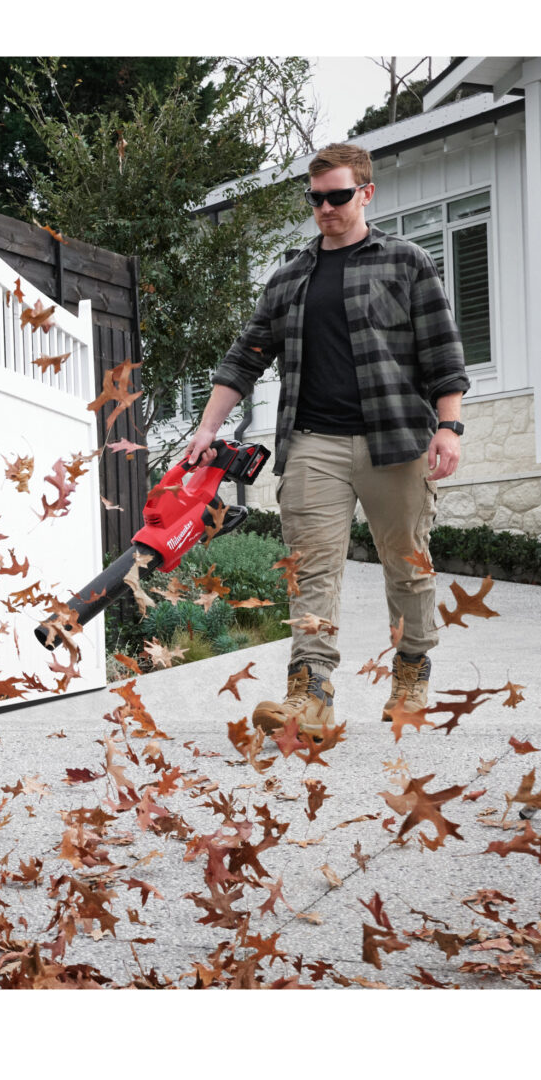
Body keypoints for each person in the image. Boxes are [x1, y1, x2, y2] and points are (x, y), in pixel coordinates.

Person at [185, 142, 470, 739]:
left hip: (396, 440)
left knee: (408, 566)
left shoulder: (407, 261)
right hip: (313, 442)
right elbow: (245, 357)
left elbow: (442, 352)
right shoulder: (290, 276)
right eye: (315, 199)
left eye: (337, 196)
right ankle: (310, 697)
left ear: (366, 193)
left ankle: (411, 673)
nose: (325, 208)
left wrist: (449, 426)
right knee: (310, 571)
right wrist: (208, 427)